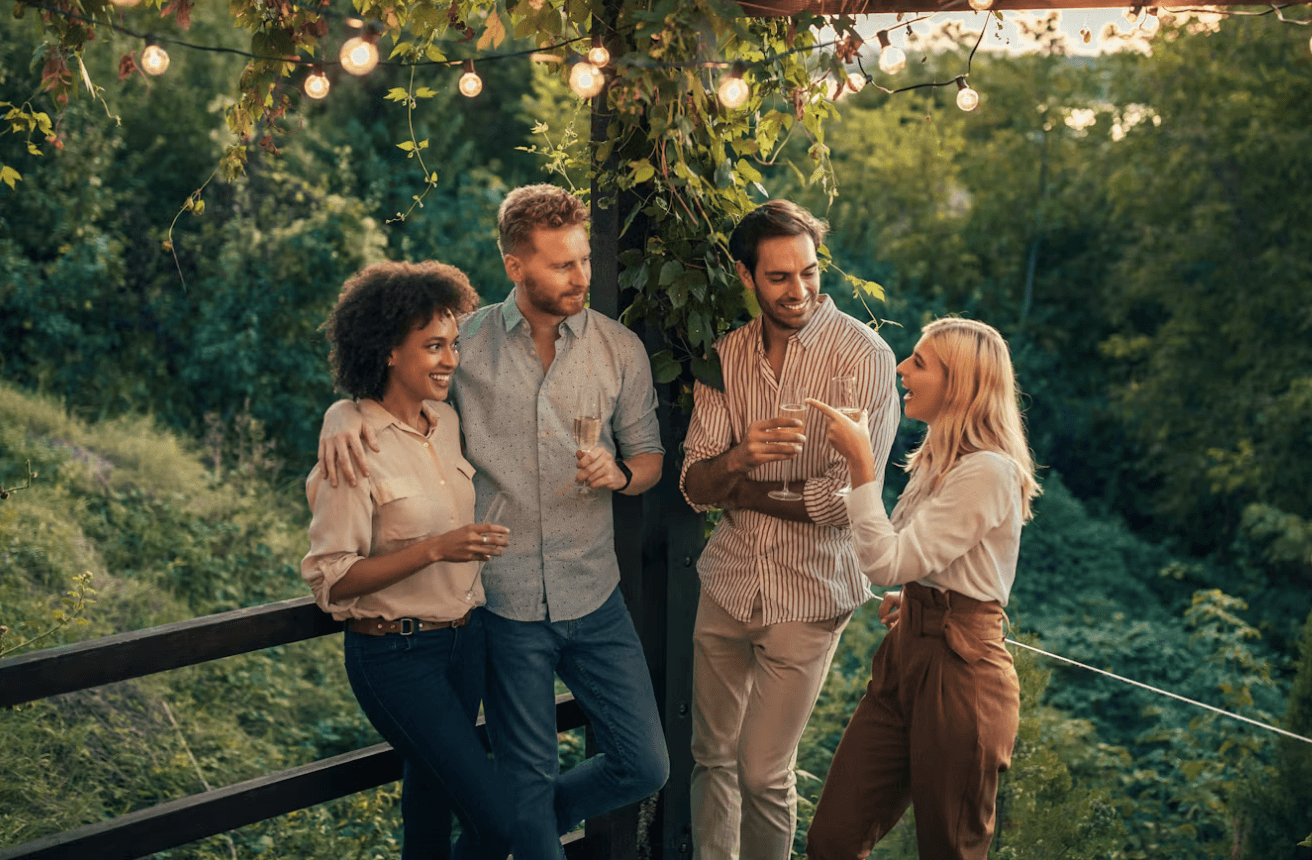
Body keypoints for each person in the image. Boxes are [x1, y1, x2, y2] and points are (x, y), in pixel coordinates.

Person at [317, 185, 670, 859]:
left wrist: (621, 476)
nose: (582, 277)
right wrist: (343, 412)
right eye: (562, 264)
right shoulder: (466, 346)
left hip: (594, 596)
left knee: (644, 764)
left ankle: (514, 825)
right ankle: (523, 823)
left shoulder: (618, 349)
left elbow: (649, 459)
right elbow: (387, 392)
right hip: (501, 607)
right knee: (527, 777)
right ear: (515, 265)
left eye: (583, 260)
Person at [679, 200, 900, 860]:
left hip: (809, 594)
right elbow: (695, 484)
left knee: (762, 772)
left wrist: (741, 490)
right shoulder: (725, 358)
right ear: (745, 276)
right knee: (709, 758)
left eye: (807, 272)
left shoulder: (864, 357)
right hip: (727, 583)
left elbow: (844, 501)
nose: (799, 290)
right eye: (779, 277)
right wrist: (741, 458)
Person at [804, 317, 1042, 860]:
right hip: (907, 653)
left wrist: (861, 462)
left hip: (961, 674)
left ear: (958, 384)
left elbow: (886, 562)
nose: (902, 369)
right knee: (833, 841)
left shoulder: (989, 471)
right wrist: (918, 599)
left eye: (919, 361)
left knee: (949, 851)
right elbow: (922, 558)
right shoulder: (938, 458)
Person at [301, 260, 514, 859]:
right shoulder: (354, 445)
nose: (450, 360)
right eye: (433, 346)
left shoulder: (445, 420)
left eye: (452, 345)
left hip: (464, 644)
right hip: (394, 655)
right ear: (389, 351)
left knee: (430, 808)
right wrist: (436, 549)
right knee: (497, 824)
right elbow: (332, 581)